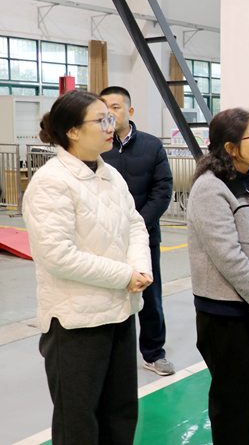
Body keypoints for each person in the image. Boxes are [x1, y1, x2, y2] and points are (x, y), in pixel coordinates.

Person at [23, 90, 152, 445]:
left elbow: (135, 224)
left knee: (120, 413)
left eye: (111, 118)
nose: (111, 126)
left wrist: (140, 267)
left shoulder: (110, 175)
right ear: (73, 131)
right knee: (78, 422)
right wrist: (125, 275)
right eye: (102, 120)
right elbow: (58, 255)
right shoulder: (51, 182)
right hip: (76, 323)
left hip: (119, 313)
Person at [187, 108, 249, 445]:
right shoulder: (210, 188)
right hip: (226, 315)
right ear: (231, 148)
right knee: (234, 406)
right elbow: (227, 256)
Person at [100, 86, 175, 376]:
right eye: (104, 107)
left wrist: (138, 227)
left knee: (150, 296)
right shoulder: (97, 147)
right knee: (108, 293)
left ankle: (154, 353)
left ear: (129, 111)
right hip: (105, 237)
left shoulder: (151, 145)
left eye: (115, 107)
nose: (109, 112)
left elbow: (162, 189)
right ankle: (110, 355)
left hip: (145, 236)